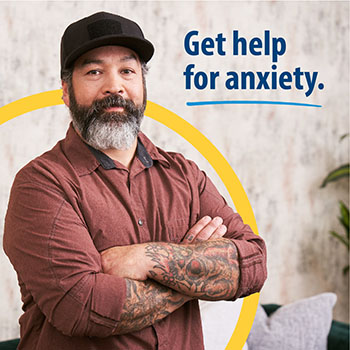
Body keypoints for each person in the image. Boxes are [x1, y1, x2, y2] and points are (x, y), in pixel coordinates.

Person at [3, 11, 267, 350]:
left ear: (142, 86)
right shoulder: (40, 185)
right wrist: (194, 269)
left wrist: (145, 258)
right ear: (66, 92)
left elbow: (253, 265)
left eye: (127, 71)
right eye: (95, 71)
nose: (114, 86)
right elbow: (82, 308)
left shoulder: (185, 175)